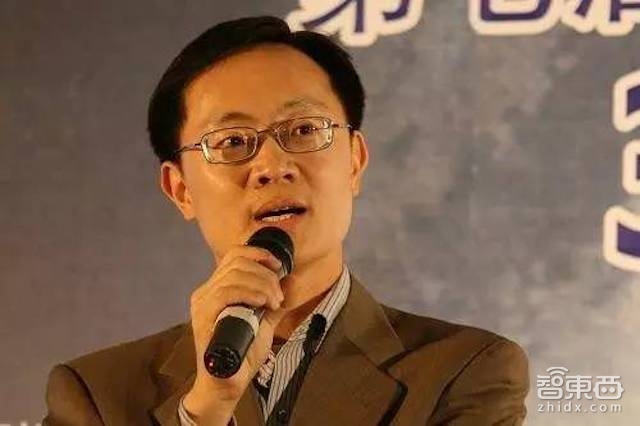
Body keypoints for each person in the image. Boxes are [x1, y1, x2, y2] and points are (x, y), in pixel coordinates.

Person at [43, 16, 529, 426]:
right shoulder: (96, 395)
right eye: (233, 142)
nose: (273, 166)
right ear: (181, 189)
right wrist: (207, 409)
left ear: (355, 161)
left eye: (303, 130)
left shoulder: (464, 370)